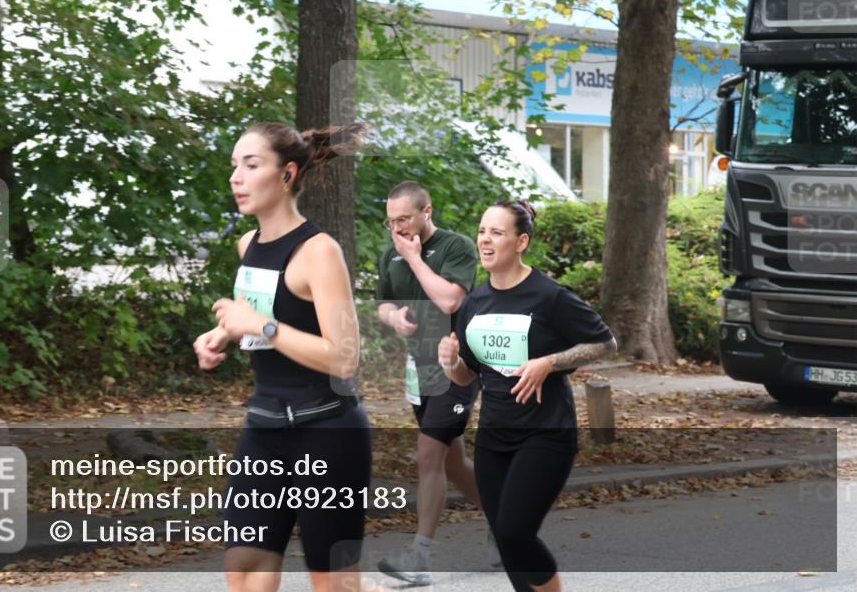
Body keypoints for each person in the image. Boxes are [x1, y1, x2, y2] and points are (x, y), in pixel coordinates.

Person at [193, 121, 380, 592]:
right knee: (244, 569)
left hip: (327, 433)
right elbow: (262, 316)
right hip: (265, 428)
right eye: (234, 165)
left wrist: (260, 327)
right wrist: (221, 334)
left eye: (250, 165)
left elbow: (345, 357)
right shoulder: (248, 245)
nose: (236, 177)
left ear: (286, 174)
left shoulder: (319, 252)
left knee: (333, 582)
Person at [437, 200, 617, 592]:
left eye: (496, 233)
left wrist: (549, 362)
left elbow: (605, 343)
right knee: (506, 541)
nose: (485, 240)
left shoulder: (550, 296)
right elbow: (468, 374)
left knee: (515, 533)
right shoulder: (474, 304)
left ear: (521, 242)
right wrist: (451, 363)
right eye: (482, 231)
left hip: (545, 434)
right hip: (494, 436)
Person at [374, 181, 488, 586]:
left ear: (427, 212)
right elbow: (383, 302)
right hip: (418, 367)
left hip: (456, 365)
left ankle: (418, 558)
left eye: (404, 218)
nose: (397, 228)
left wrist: (413, 257)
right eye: (391, 221)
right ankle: (508, 524)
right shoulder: (390, 252)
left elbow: (450, 300)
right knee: (451, 463)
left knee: (428, 455)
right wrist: (393, 317)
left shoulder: (456, 247)